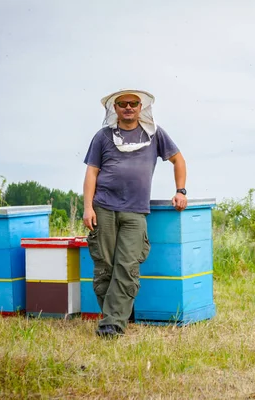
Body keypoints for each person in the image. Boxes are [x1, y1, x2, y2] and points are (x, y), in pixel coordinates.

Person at [82, 88, 187, 338]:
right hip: (103, 208)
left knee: (127, 266)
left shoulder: (154, 134)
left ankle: (112, 324)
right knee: (105, 267)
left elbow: (178, 160)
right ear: (114, 108)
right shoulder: (103, 137)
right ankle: (118, 315)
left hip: (136, 211)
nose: (128, 107)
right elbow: (91, 172)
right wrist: (87, 207)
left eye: (133, 103)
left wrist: (180, 191)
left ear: (142, 107)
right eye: (122, 103)